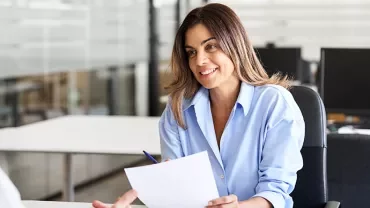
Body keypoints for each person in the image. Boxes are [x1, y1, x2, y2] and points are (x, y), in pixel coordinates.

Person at [93, 3, 304, 208]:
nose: (199, 60)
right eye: (191, 52)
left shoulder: (273, 103)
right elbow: (174, 195)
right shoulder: (178, 110)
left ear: (234, 45)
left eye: (210, 46)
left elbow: (275, 191)